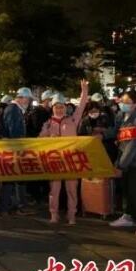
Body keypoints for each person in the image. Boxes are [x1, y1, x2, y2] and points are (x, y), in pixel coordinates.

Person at [39, 81, 89, 225]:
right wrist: (48, 137)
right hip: (55, 161)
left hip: (71, 160)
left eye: (62, 107)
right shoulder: (48, 123)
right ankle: (53, 214)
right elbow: (39, 140)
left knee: (72, 189)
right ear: (52, 108)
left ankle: (71, 215)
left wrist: (84, 90)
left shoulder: (73, 119)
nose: (59, 110)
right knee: (54, 190)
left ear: (66, 108)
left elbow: (82, 105)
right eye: (57, 107)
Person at [110, 90, 136, 236]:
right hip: (123, 158)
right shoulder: (122, 115)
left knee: (135, 191)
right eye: (122, 101)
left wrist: (121, 166)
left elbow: (132, 147)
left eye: (127, 102)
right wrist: (102, 133)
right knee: (126, 189)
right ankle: (128, 216)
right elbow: (115, 132)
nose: (123, 104)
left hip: (135, 161)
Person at [0, 87, 35, 217]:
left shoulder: (14, 110)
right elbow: (13, 132)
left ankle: (11, 207)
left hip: (14, 149)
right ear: (23, 98)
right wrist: (19, 148)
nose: (29, 102)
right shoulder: (13, 110)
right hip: (13, 150)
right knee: (10, 180)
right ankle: (7, 208)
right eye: (29, 99)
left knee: (13, 180)